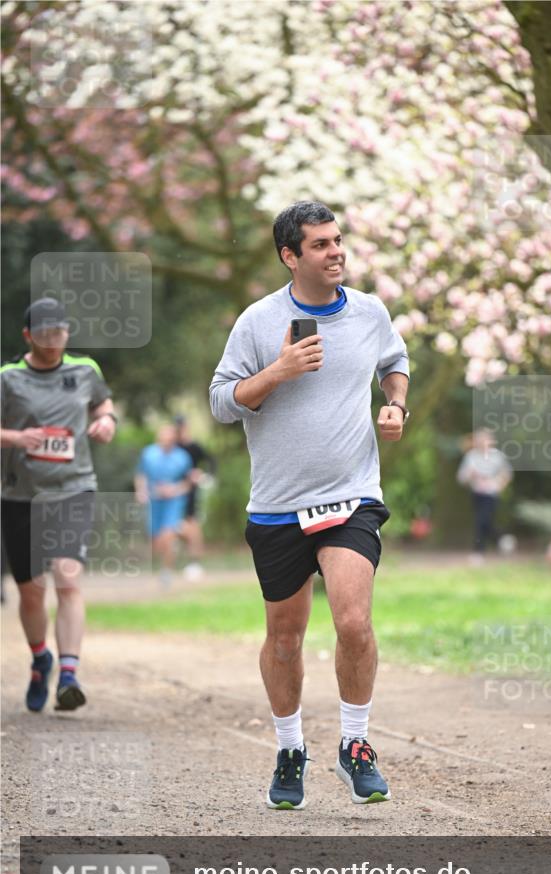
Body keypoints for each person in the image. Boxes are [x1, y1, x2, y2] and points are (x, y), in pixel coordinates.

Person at [210, 200, 409, 809]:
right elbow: (222, 402)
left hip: (351, 497)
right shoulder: (257, 321)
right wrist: (278, 371)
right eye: (320, 245)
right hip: (277, 507)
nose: (336, 252)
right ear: (289, 256)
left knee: (353, 621)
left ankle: (355, 746)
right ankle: (290, 749)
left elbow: (395, 363)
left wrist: (395, 404)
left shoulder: (370, 312)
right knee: (285, 639)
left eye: (338, 240)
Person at [0, 297, 117, 711]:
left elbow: (103, 405)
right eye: (45, 334)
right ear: (28, 336)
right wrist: (16, 438)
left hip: (73, 488)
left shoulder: (85, 370)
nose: (53, 342)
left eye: (60, 333)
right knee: (31, 593)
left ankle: (69, 674)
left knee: (68, 576)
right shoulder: (8, 378)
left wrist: (106, 421)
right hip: (20, 495)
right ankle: (40, 660)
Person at [135, 425, 194, 586]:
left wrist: (175, 489)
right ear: (158, 438)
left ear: (174, 440)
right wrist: (141, 491)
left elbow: (188, 483)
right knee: (156, 540)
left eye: (169, 439)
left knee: (167, 535)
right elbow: (141, 475)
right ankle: (178, 537)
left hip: (173, 501)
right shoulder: (148, 453)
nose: (166, 442)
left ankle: (166, 571)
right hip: (154, 500)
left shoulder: (182, 457)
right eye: (163, 438)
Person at [457, 428, 513, 561]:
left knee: (481, 521)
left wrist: (498, 486)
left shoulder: (497, 456)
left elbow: (507, 474)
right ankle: (502, 539)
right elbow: (461, 478)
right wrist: (469, 475)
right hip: (477, 494)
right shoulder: (471, 457)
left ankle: (478, 552)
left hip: (491, 494)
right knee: (485, 523)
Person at [172, 415, 214, 579]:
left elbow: (211, 460)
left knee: (193, 525)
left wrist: (205, 476)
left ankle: (195, 562)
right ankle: (176, 558)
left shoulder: (194, 446)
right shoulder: (173, 447)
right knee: (175, 526)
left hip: (191, 493)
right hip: (174, 493)